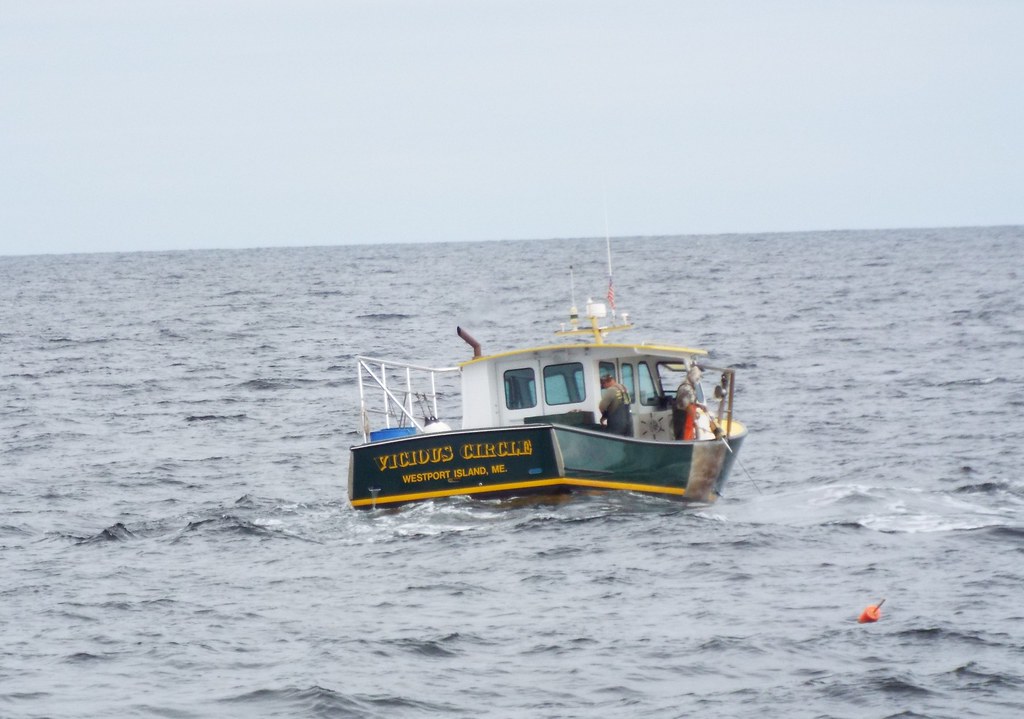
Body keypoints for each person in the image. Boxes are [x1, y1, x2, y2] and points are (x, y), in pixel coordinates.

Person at [673, 364, 706, 440]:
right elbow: (688, 406)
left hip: (687, 422)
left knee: (689, 437)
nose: (698, 381)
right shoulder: (686, 388)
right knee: (683, 439)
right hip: (683, 421)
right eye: (697, 379)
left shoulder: (688, 386)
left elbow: (689, 402)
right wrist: (695, 420)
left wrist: (699, 406)